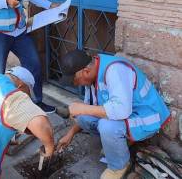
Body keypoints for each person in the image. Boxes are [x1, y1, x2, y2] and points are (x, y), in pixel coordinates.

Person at [56, 49, 170, 179]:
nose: (74, 84)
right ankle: (119, 144)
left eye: (74, 81)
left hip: (148, 117)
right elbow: (91, 109)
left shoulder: (115, 70)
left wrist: (82, 108)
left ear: (85, 71)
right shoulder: (91, 74)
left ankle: (119, 166)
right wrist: (70, 134)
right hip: (129, 115)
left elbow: (121, 110)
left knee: (107, 126)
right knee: (82, 117)